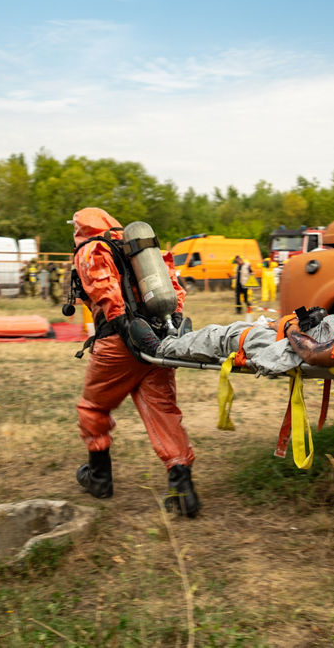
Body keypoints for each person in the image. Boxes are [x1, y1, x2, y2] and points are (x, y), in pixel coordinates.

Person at [70, 207, 199, 517]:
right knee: (164, 412)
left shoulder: (92, 249)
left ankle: (99, 477)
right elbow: (173, 288)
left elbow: (105, 291)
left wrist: (124, 329)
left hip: (118, 344)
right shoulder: (139, 247)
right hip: (158, 339)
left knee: (93, 408)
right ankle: (184, 492)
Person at [146, 279, 334, 376]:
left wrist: (290, 326)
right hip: (330, 330)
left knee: (231, 335)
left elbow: (313, 355)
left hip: (299, 347)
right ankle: (184, 339)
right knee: (240, 327)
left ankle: (163, 346)